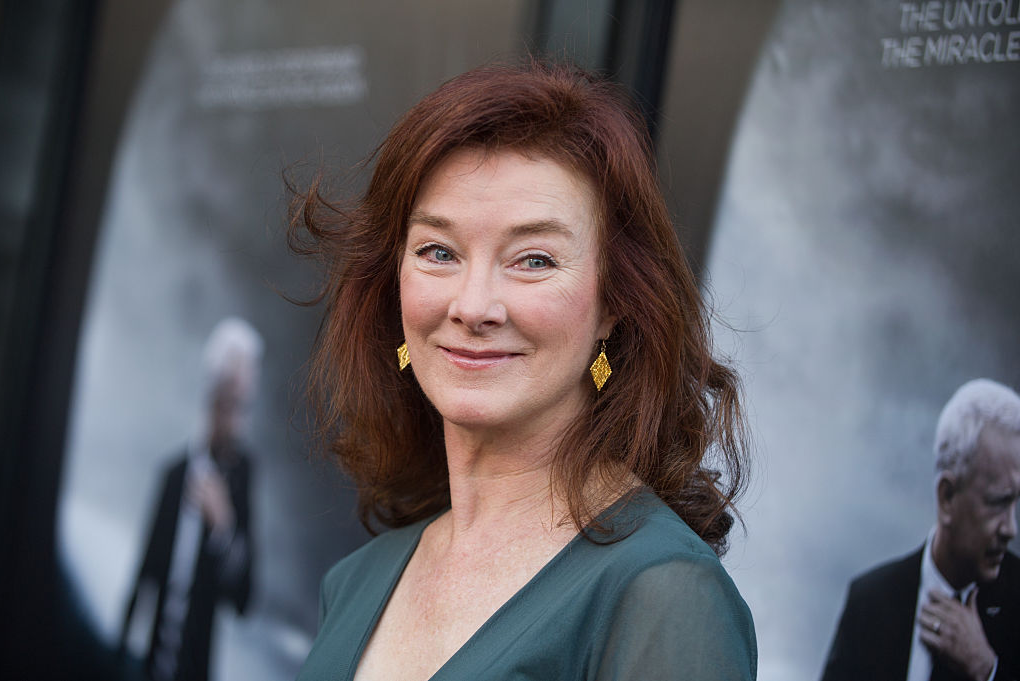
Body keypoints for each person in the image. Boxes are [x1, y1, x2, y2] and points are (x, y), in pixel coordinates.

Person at [290, 60, 756, 680]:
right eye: (438, 252)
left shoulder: (664, 595)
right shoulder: (355, 582)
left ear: (614, 303)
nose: (473, 306)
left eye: (534, 260)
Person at [821, 378, 1020, 681]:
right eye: (997, 502)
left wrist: (987, 669)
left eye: (1015, 502)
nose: (1011, 529)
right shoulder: (870, 603)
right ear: (947, 497)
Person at [120, 317, 261, 681]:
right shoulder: (175, 474)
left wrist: (223, 526)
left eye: (243, 404)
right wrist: (120, 652)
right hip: (154, 662)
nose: (236, 417)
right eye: (228, 402)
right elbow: (145, 573)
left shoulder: (240, 476)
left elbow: (243, 596)